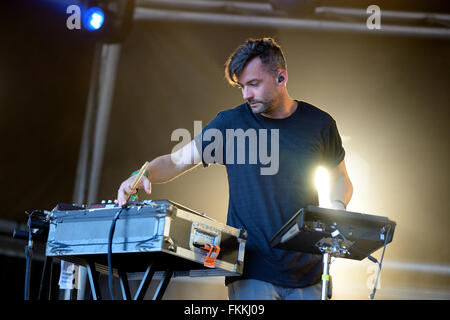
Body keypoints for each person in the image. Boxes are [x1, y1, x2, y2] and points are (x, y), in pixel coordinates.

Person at [116, 37, 353, 300]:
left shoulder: (319, 123)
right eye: (241, 86)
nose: (246, 94)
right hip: (252, 270)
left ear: (281, 78)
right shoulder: (230, 123)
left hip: (310, 274)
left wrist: (338, 212)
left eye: (253, 84)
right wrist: (140, 175)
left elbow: (341, 178)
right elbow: (176, 161)